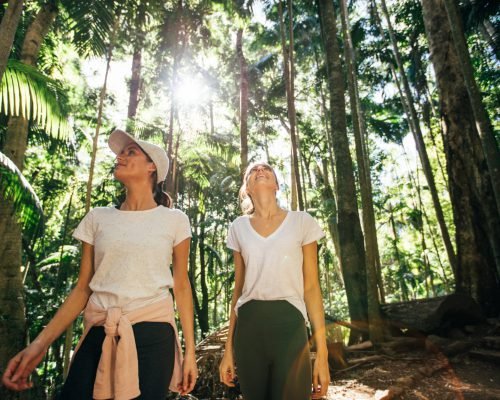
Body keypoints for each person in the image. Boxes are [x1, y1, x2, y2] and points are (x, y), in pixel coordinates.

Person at [2, 129, 198, 399]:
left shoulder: (175, 220)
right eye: (120, 152)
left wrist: (189, 353)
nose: (120, 157)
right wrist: (40, 344)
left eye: (131, 152)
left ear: (152, 167)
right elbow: (83, 289)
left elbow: (182, 286)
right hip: (99, 329)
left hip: (153, 335)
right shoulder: (98, 218)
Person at [219, 162, 330, 400]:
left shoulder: (302, 222)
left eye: (266, 170)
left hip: (290, 326)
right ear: (247, 188)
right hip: (249, 328)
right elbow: (238, 290)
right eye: (252, 171)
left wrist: (322, 354)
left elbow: (311, 287)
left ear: (277, 186)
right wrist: (228, 350)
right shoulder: (238, 227)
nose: (259, 171)